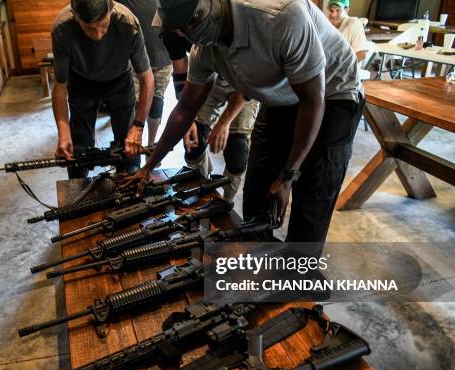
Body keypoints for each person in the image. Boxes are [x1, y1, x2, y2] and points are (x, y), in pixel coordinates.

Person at [124, 0, 364, 244]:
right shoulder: (204, 48)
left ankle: (299, 270)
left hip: (332, 93)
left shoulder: (281, 16)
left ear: (201, 16)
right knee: (256, 196)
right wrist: (148, 168)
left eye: (182, 29)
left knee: (310, 203)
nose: (180, 36)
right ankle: (260, 262)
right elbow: (184, 110)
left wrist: (287, 177)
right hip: (282, 93)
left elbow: (313, 103)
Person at [51, 0, 154, 178]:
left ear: (111, 10)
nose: (98, 35)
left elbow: (147, 79)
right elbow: (60, 87)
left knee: (128, 151)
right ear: (76, 17)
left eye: (104, 25)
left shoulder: (128, 24)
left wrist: (138, 126)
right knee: (77, 154)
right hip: (81, 82)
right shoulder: (62, 29)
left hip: (119, 80)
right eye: (89, 29)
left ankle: (128, 182)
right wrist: (63, 132)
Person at [162, 32, 260, 202]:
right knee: (193, 141)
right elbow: (181, 79)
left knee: (237, 148)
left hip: (244, 80)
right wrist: (189, 118)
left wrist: (225, 122)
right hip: (210, 75)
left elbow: (249, 83)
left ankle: (225, 203)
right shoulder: (171, 30)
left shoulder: (229, 20)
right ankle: (203, 189)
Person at [120, 0, 172, 146]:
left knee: (156, 104)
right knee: (134, 105)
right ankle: (131, 145)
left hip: (163, 58)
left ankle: (150, 145)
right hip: (135, 62)